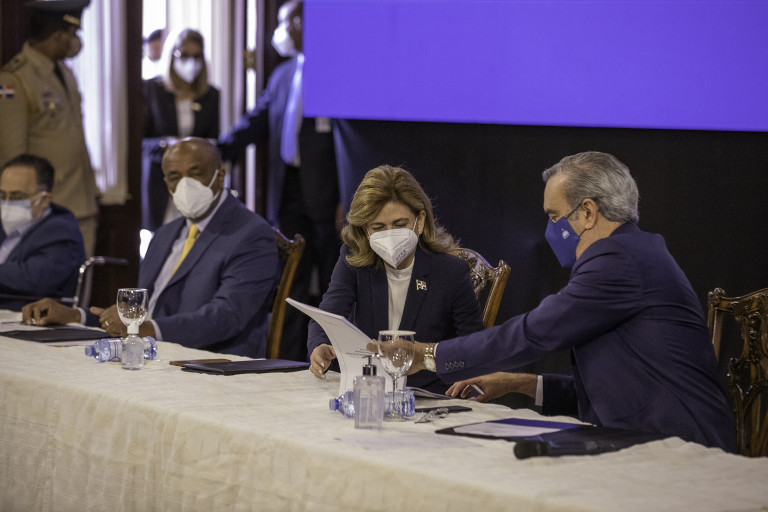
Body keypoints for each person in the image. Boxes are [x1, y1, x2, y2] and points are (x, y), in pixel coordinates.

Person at [402, 151, 735, 451]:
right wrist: (519, 383)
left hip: (681, 449)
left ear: (587, 211)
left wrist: (427, 355)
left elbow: (536, 332)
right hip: (650, 437)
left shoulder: (617, 259)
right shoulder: (635, 251)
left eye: (554, 216)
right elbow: (616, 387)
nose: (550, 229)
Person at [22, 138, 278, 358]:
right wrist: (75, 316)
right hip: (149, 353)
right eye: (175, 177)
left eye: (195, 173)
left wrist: (146, 330)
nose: (185, 185)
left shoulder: (251, 234)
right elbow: (137, 313)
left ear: (220, 176)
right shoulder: (166, 233)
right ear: (166, 182)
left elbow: (228, 316)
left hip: (212, 360)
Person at [219, 0, 340, 361]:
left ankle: (331, 360)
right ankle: (285, 359)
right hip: (288, 189)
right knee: (291, 281)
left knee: (333, 283)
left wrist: (348, 197)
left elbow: (348, 140)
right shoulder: (283, 74)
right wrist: (217, 149)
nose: (280, 32)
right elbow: (257, 121)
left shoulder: (335, 71)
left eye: (285, 22)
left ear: (302, 22)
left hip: (328, 196)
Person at [308, 165, 483, 392]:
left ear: (420, 221)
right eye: (378, 227)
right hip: (367, 388)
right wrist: (320, 345)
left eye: (400, 225)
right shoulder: (354, 261)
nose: (390, 234)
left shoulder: (451, 271)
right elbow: (327, 318)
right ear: (365, 230)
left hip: (428, 394)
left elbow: (474, 346)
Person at [0, 0, 99, 257]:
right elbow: (13, 159)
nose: (75, 41)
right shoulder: (15, 79)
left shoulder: (64, 72)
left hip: (82, 202)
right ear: (58, 35)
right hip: (48, 211)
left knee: (81, 279)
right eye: (73, 33)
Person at [142, 28, 220, 231]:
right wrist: (165, 144)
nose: (190, 62)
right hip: (161, 182)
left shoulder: (211, 95)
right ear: (171, 56)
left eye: (196, 56)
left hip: (197, 183)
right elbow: (140, 142)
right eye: (184, 55)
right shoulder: (151, 90)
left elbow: (214, 140)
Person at [0, 154, 85, 311]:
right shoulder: (3, 225)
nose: (7, 203)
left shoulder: (61, 231)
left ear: (44, 199)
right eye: (2, 195)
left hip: (26, 316)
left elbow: (33, 278)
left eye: (17, 196)